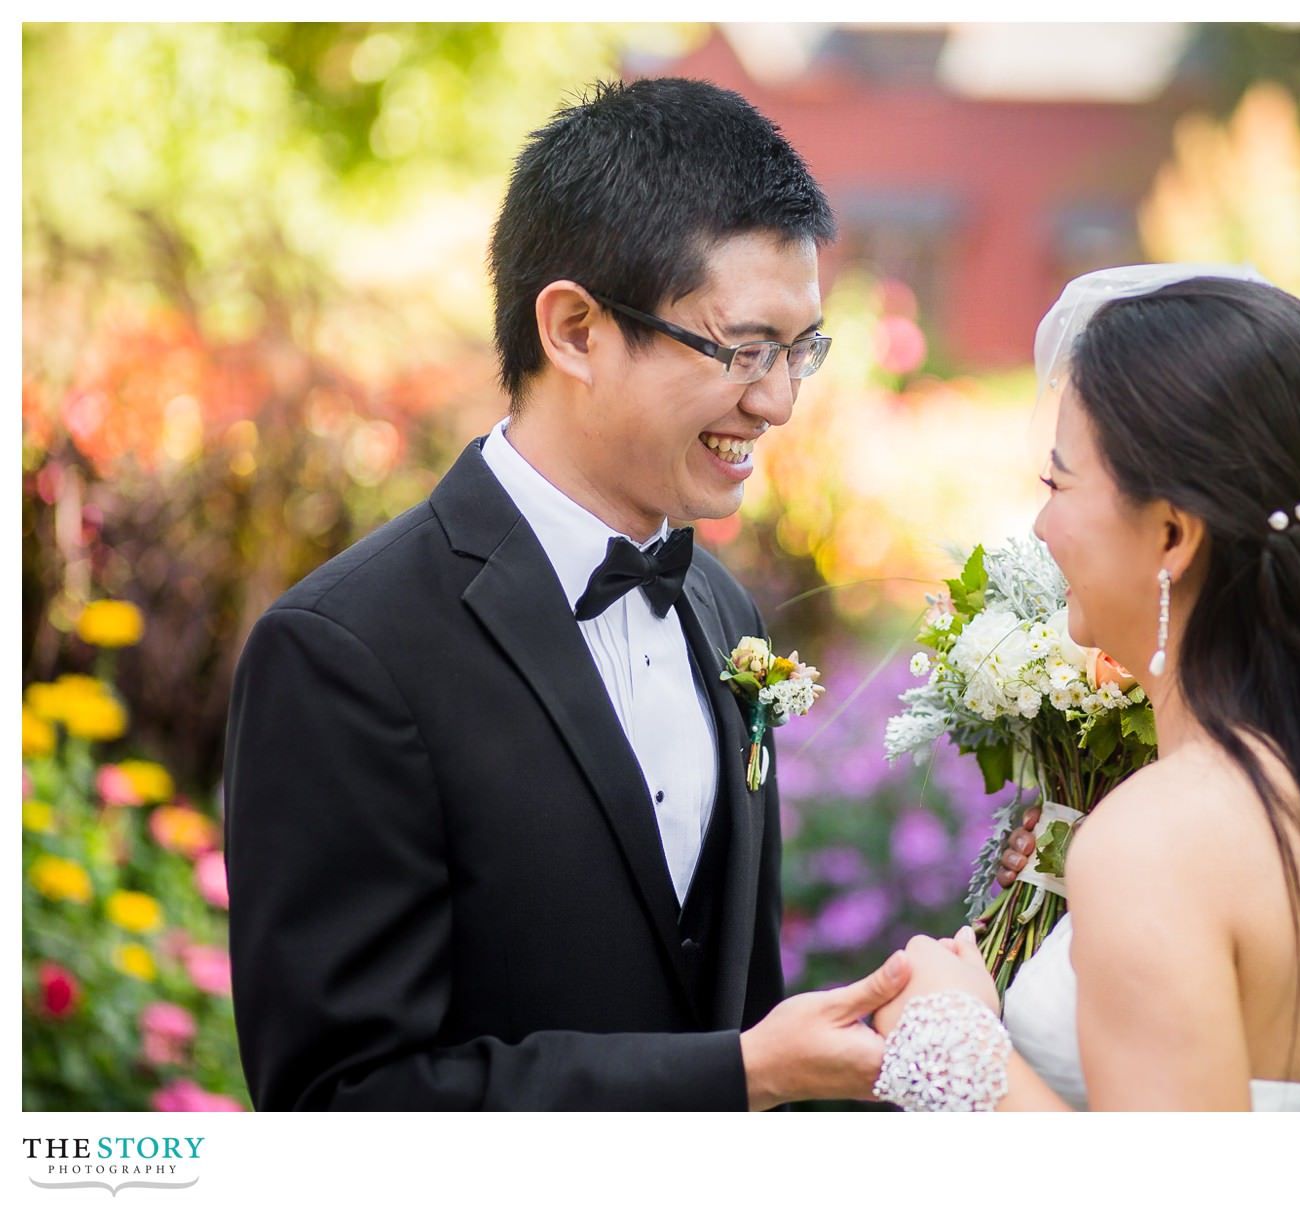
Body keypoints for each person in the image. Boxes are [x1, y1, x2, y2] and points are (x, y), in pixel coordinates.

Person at [222, 77, 918, 1111]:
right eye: (742, 349)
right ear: (575, 330)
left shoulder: (723, 615)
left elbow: (735, 1000)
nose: (775, 401)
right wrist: (734, 1076)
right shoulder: (344, 652)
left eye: (799, 350)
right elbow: (342, 1100)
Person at [870, 264, 1300, 1112]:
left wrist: (948, 1034)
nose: (1041, 524)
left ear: (1173, 534)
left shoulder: (1157, 842)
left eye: (1058, 482)